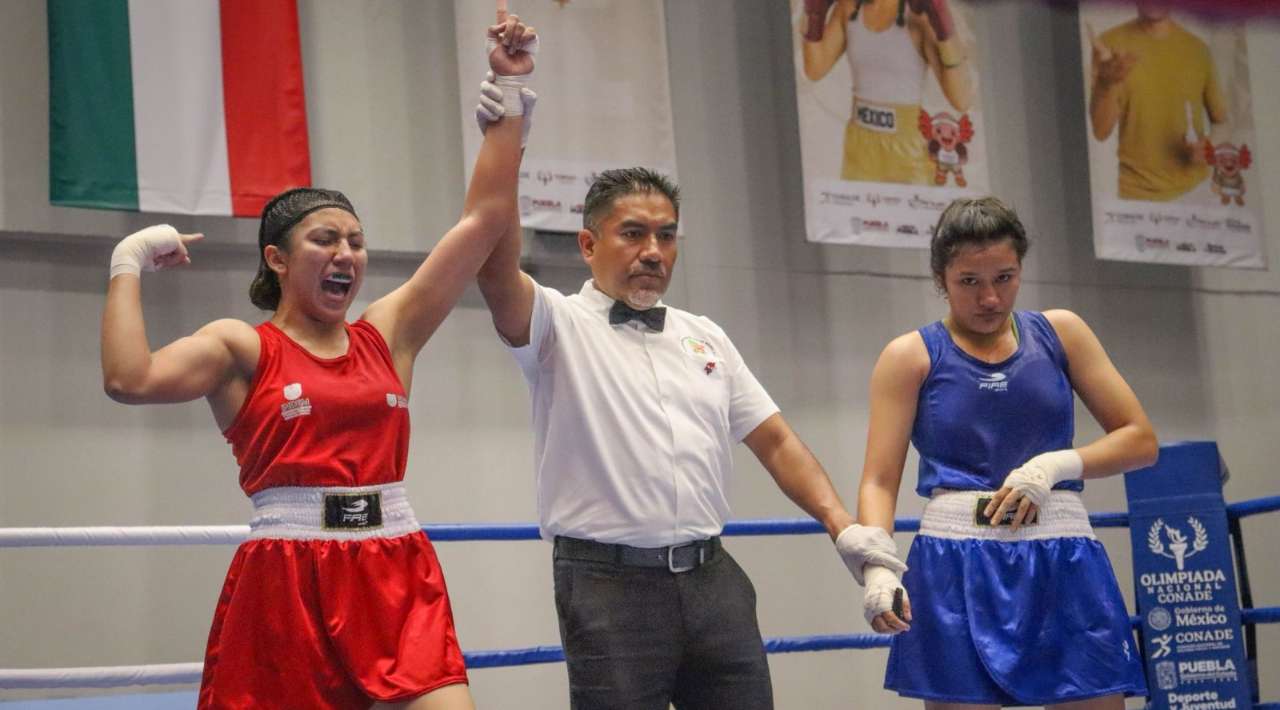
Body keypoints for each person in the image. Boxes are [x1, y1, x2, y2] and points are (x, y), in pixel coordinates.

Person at [98, 12, 537, 709]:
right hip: (288, 576)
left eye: (356, 242)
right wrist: (126, 263)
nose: (346, 255)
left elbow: (483, 224)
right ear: (276, 258)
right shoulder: (241, 347)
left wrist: (510, 97)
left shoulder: (387, 334)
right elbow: (129, 379)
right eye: (325, 239)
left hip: (395, 565)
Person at [466, 161, 865, 709]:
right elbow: (493, 267)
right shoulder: (557, 324)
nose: (653, 250)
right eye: (633, 233)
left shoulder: (706, 337)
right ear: (588, 243)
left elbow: (774, 440)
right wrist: (509, 137)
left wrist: (842, 525)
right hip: (609, 586)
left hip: (712, 578)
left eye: (667, 235)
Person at [843, 196, 1156, 708]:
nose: (990, 297)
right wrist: (878, 565)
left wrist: (1054, 466)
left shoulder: (1061, 334)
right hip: (953, 563)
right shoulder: (910, 356)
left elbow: (1140, 439)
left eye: (1004, 278)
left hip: (1063, 555)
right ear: (941, 278)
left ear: (1021, 270)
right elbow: (880, 479)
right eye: (970, 281)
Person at [801, 0, 973, 184]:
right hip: (859, 144)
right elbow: (814, 69)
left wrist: (944, 28)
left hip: (908, 149)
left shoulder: (917, 16)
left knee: (911, 211)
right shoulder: (848, 7)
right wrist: (814, 16)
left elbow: (961, 98)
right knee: (856, 211)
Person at [1088, 1, 1229, 201]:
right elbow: (1101, 132)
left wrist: (1209, 146)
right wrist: (1105, 84)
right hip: (1137, 195)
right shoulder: (1110, 45)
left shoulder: (1198, 49)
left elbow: (1222, 121)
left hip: (1197, 192)